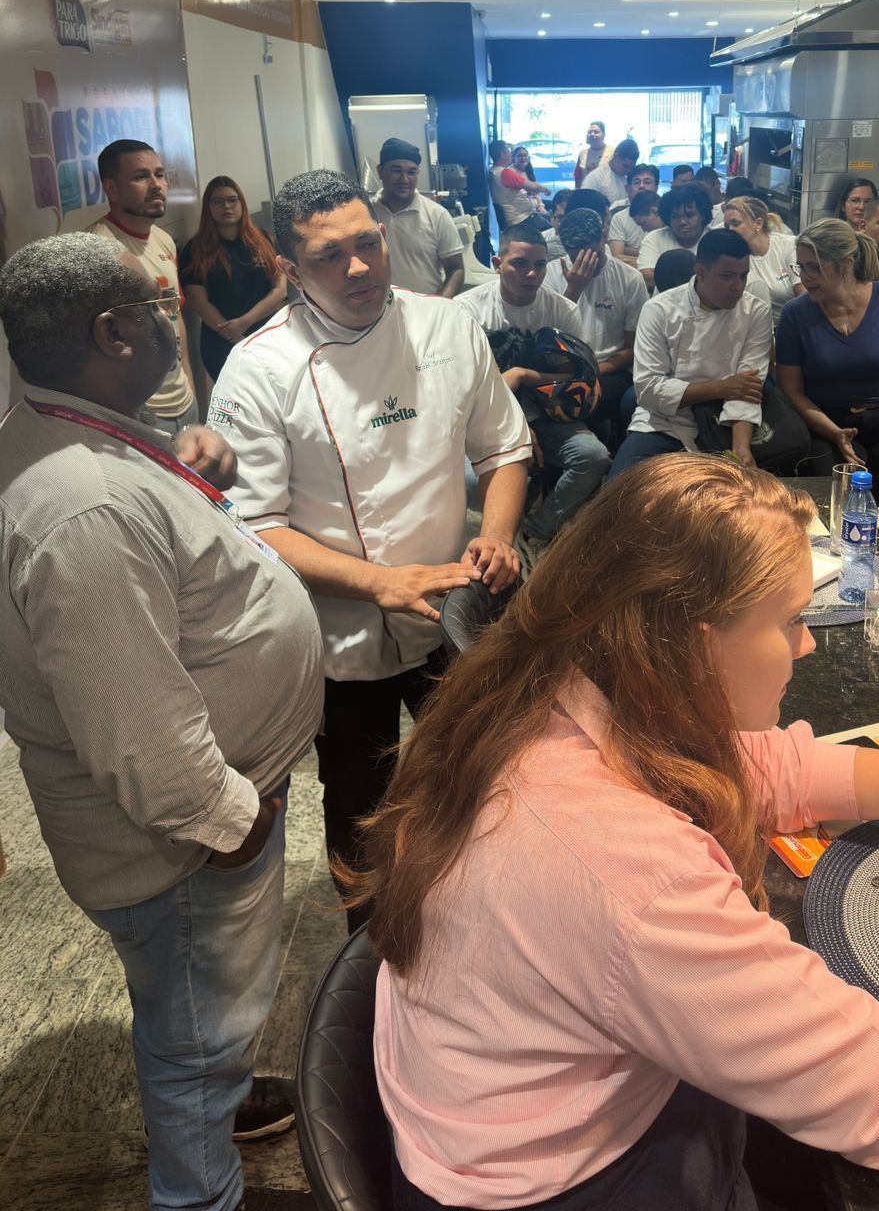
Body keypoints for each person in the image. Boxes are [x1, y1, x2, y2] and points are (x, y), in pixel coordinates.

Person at [361, 456, 879, 1207]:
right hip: (570, 1185)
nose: (806, 644)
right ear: (696, 641)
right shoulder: (633, 875)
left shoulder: (565, 681)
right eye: (790, 620)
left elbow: (768, 769)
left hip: (490, 1110)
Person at [0, 233, 324, 1211]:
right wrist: (234, 822)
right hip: (181, 846)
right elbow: (136, 729)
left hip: (185, 832)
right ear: (114, 332)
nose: (175, 317)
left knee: (197, 1023)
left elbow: (161, 576)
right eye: (159, 305)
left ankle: (219, 1091)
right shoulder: (84, 507)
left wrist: (184, 463)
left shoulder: (72, 435)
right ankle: (198, 1183)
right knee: (190, 1042)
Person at [208, 170, 529, 922]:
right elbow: (254, 526)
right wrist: (378, 582)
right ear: (290, 270)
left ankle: (480, 913)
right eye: (328, 256)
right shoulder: (259, 367)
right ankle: (370, 941)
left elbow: (503, 448)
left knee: (481, 769)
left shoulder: (446, 326)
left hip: (452, 603)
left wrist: (496, 534)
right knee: (359, 794)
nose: (358, 267)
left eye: (367, 244)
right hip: (339, 634)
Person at [610, 229, 810, 480]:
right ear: (701, 272)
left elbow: (747, 388)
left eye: (743, 275)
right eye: (727, 276)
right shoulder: (659, 310)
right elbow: (648, 389)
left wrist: (741, 449)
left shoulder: (755, 312)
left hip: (726, 423)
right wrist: (720, 388)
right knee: (620, 490)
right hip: (665, 425)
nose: (738, 286)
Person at [458, 220, 611, 542]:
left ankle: (536, 531)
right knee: (471, 485)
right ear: (497, 264)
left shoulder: (562, 309)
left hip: (547, 409)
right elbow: (465, 386)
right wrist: (519, 426)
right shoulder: (467, 310)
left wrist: (523, 374)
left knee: (593, 457)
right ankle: (510, 520)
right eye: (520, 264)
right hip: (487, 413)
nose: (531, 274)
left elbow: (577, 375)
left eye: (540, 265)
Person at [776, 217, 879, 495]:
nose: (804, 277)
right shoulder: (795, 314)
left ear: (847, 264)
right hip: (826, 422)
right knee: (835, 486)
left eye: (814, 267)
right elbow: (792, 391)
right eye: (801, 266)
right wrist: (834, 432)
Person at [88, 138, 198, 435]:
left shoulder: (163, 239)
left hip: (183, 399)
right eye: (140, 176)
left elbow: (175, 314)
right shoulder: (97, 248)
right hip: (137, 408)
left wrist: (188, 377)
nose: (156, 185)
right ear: (111, 188)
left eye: (159, 175)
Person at [544, 206, 646, 445]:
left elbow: (632, 349)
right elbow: (548, 339)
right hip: (562, 367)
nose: (585, 263)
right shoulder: (551, 273)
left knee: (578, 401)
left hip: (610, 368)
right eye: (576, 257)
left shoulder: (629, 279)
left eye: (592, 254)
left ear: (604, 236)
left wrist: (593, 370)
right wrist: (573, 290)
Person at [179, 176, 288, 383]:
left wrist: (244, 323)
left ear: (241, 203)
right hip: (222, 341)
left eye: (232, 200)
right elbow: (198, 301)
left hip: (267, 336)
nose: (226, 206)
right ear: (208, 207)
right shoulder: (195, 249)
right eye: (218, 202)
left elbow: (280, 290)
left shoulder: (264, 240)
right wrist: (235, 335)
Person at [371, 139, 465, 297]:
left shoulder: (436, 214)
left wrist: (441, 304)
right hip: (379, 307)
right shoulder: (367, 213)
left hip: (426, 306)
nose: (404, 179)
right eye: (396, 170)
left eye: (411, 172)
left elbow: (456, 270)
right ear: (380, 171)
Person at [722, 196, 802, 322]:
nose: (730, 230)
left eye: (736, 224)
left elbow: (805, 296)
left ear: (758, 223)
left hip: (797, 321)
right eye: (727, 226)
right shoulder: (735, 259)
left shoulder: (788, 245)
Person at [637, 183, 712, 291]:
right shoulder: (655, 238)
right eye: (675, 216)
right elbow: (647, 279)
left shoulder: (716, 240)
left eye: (689, 215)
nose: (682, 222)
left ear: (703, 214)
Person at [489, 140, 548, 227]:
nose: (511, 154)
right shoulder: (505, 173)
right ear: (503, 154)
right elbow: (534, 187)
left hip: (523, 216)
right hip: (523, 219)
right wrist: (546, 189)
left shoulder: (494, 171)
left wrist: (540, 204)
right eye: (509, 150)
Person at [609, 188, 664, 270]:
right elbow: (617, 258)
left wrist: (641, 262)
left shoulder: (675, 230)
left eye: (643, 223)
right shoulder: (654, 236)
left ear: (655, 211)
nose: (644, 230)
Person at [582, 136, 639, 207]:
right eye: (625, 166)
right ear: (615, 156)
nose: (628, 170)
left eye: (631, 167)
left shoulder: (628, 179)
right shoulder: (595, 178)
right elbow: (584, 208)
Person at [574, 120, 612, 187]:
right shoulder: (582, 153)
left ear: (604, 134)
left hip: (605, 191)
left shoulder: (612, 152)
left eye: (596, 132)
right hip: (586, 190)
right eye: (590, 132)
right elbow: (578, 177)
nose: (592, 134)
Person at [544, 187, 573, 260]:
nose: (566, 223)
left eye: (570, 217)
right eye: (561, 218)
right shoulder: (541, 240)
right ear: (551, 217)